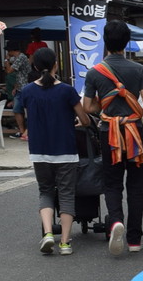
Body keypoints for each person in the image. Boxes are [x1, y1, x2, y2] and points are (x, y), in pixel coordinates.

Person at [84, 20, 143, 256]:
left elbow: (88, 106)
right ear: (126, 42)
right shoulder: (139, 70)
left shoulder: (95, 72)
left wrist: (106, 105)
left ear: (105, 41)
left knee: (112, 183)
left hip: (108, 133)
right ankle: (134, 239)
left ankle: (115, 223)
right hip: (134, 133)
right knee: (134, 185)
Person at [19, 47, 91, 255]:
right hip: (66, 151)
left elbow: (26, 116)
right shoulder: (67, 91)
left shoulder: (27, 91)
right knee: (67, 194)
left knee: (46, 191)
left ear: (34, 66)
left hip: (39, 151)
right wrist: (76, 122)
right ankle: (66, 243)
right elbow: (85, 119)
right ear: (55, 65)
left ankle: (49, 233)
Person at [4, 47, 31, 138]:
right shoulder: (18, 58)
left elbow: (9, 71)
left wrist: (6, 60)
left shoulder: (21, 57)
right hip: (20, 87)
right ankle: (22, 131)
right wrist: (15, 86)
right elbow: (19, 75)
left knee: (26, 110)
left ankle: (27, 131)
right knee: (17, 109)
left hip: (25, 88)